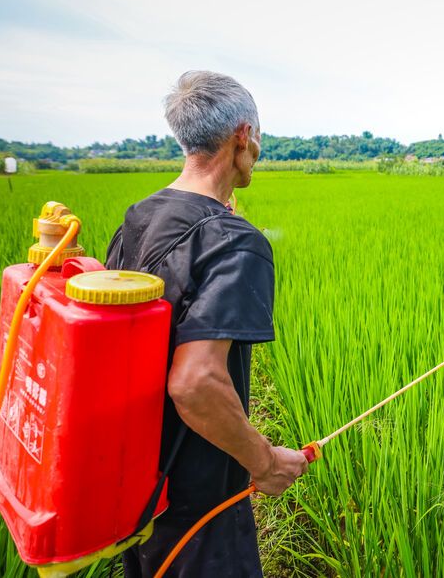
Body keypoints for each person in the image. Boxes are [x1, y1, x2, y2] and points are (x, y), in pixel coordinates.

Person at [108, 71, 307, 576]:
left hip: (136, 491)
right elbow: (195, 382)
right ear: (243, 136)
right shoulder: (234, 241)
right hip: (200, 510)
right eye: (257, 137)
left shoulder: (140, 217)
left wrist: (220, 216)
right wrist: (264, 462)